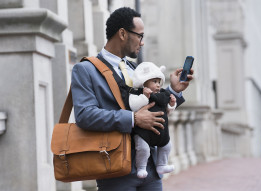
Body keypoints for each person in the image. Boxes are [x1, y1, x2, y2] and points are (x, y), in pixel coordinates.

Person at [71, 7, 194, 191]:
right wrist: (133, 119)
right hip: (114, 169)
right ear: (122, 33)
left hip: (150, 169)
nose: (142, 43)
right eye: (140, 36)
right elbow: (84, 115)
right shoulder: (86, 69)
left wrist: (174, 91)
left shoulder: (137, 69)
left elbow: (150, 102)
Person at [128, 62, 176, 179]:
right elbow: (133, 106)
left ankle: (162, 164)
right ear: (144, 82)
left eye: (159, 82)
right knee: (143, 149)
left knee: (166, 146)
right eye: (154, 82)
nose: (158, 85)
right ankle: (141, 167)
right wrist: (144, 97)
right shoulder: (137, 93)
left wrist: (172, 104)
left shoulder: (163, 94)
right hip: (143, 132)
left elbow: (168, 110)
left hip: (161, 131)